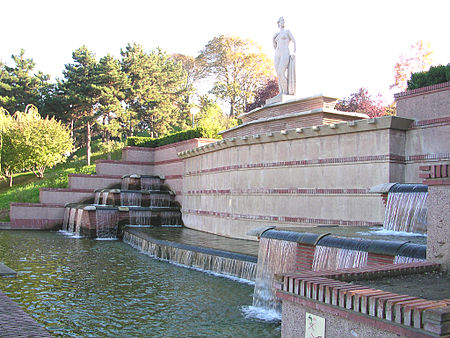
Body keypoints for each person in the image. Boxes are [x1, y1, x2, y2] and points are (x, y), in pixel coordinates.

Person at [273, 17, 296, 95]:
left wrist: (293, 53)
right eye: (281, 21)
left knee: (281, 72)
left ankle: (286, 92)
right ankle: (281, 91)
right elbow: (274, 45)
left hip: (285, 53)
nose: (283, 22)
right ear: (278, 23)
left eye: (284, 21)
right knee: (278, 74)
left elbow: (294, 42)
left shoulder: (287, 32)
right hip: (277, 54)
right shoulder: (276, 34)